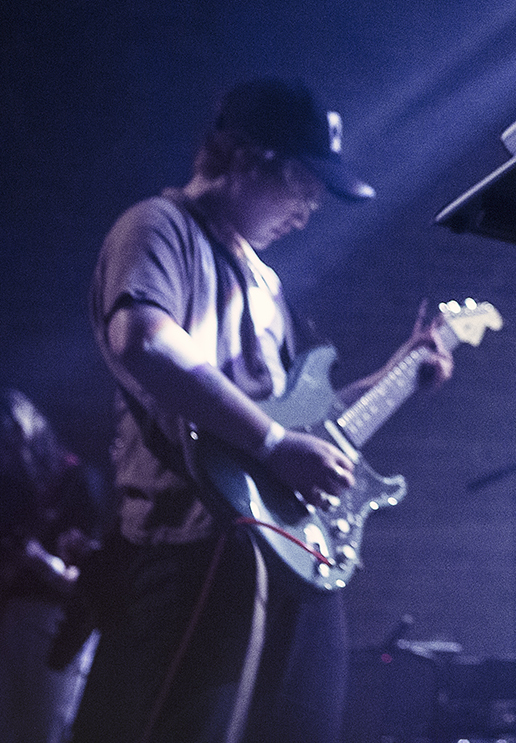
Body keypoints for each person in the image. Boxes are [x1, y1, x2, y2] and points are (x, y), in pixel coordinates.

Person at [69, 79, 454, 743]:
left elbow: (309, 422)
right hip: (194, 547)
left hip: (288, 550)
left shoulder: (265, 281)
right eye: (303, 183)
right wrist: (275, 446)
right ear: (245, 158)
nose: (309, 210)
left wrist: (401, 376)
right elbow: (145, 341)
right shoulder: (158, 227)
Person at [0, 389, 104, 743]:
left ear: (25, 435)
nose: (1, 460)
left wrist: (38, 561)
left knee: (45, 731)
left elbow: (87, 582)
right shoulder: (10, 491)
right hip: (8, 619)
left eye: (6, 447)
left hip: (56, 623)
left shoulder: (80, 482)